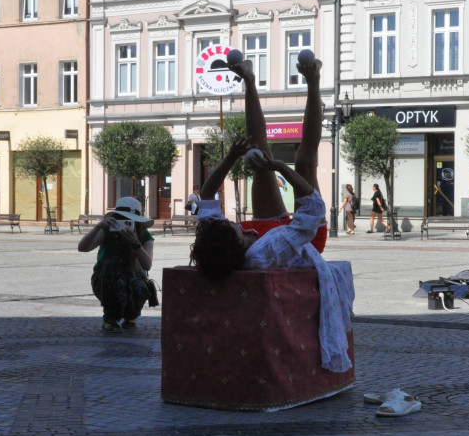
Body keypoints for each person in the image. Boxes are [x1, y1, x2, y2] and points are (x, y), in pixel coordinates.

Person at [188, 53, 353, 372]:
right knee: (305, 163)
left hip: (276, 237)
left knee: (255, 149)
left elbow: (207, 195)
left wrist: (231, 158)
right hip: (301, 244)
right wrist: (280, 165)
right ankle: (314, 79)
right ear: (240, 245)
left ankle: (248, 79)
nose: (246, 227)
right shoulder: (264, 252)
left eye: (239, 226)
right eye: (241, 231)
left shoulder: (218, 241)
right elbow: (310, 208)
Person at [78, 196, 157, 333]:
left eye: (129, 220)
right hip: (106, 279)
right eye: (120, 218)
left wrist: (135, 243)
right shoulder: (108, 230)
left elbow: (147, 265)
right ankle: (111, 318)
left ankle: (131, 315)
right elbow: (83, 247)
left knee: (137, 281)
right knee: (114, 267)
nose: (124, 223)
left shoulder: (144, 235)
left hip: (134, 280)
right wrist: (98, 227)